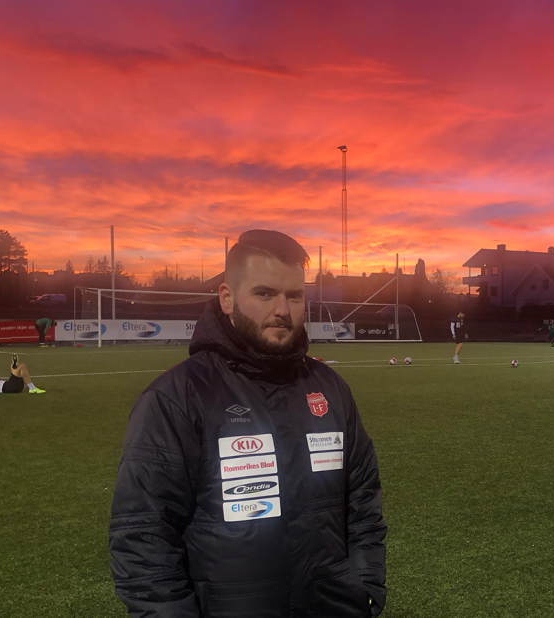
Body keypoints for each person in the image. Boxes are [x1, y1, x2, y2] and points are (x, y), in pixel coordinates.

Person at [109, 230, 387, 617]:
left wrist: (365, 587)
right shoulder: (177, 398)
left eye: (294, 296)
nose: (282, 309)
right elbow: (143, 534)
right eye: (264, 293)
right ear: (227, 298)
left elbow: (363, 502)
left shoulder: (330, 390)